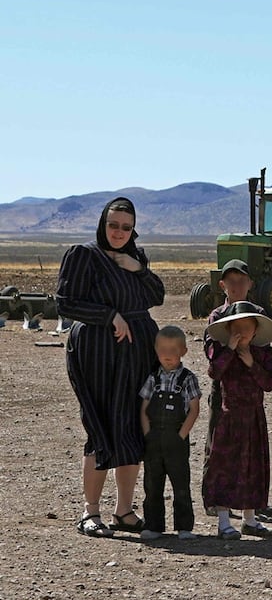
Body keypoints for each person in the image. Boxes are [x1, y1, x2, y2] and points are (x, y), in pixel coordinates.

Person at [57, 197, 165, 538]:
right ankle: (90, 512)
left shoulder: (136, 257)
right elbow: (65, 301)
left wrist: (139, 269)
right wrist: (109, 316)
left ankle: (124, 511)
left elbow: (157, 296)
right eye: (113, 225)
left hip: (138, 350)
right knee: (101, 425)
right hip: (97, 348)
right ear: (103, 224)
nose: (119, 232)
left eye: (126, 227)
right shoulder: (83, 255)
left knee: (133, 424)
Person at [201, 259, 272, 520]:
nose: (236, 286)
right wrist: (230, 352)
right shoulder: (218, 318)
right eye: (231, 281)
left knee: (251, 453)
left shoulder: (258, 315)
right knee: (219, 448)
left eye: (241, 280)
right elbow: (213, 361)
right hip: (224, 395)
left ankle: (252, 506)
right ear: (222, 285)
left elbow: (269, 379)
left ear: (250, 284)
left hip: (252, 403)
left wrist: (252, 364)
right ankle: (215, 500)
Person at [138, 325, 201, 541]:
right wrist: (148, 434)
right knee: (152, 484)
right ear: (156, 350)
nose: (167, 355)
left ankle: (184, 527)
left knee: (181, 484)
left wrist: (182, 435)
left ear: (183, 351)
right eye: (162, 350)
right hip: (154, 439)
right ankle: (153, 525)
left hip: (176, 439)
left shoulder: (188, 379)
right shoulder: (153, 378)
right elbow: (144, 408)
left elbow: (194, 409)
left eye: (173, 350)